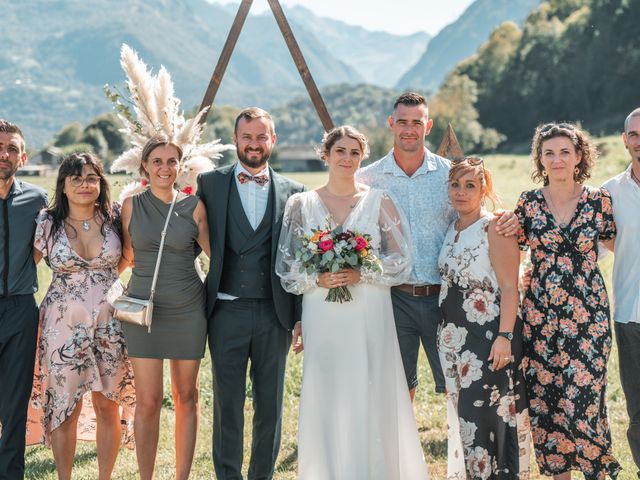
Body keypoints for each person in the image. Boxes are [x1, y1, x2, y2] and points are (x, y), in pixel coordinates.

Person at [276, 125, 428, 479]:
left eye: (354, 153)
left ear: (363, 158)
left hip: (369, 309)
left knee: (371, 383)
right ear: (325, 154)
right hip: (323, 310)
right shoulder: (301, 204)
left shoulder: (379, 201)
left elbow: (402, 260)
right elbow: (287, 267)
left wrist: (364, 274)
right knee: (327, 387)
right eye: (340, 151)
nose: (347, 158)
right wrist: (318, 278)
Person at [356, 92, 519, 400]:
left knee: (454, 382)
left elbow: (476, 216)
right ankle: (400, 447)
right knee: (398, 385)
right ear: (391, 124)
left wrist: (506, 217)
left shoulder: (449, 174)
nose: (409, 129)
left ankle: (459, 444)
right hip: (393, 296)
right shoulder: (368, 178)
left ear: (427, 126)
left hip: (444, 298)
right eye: (402, 121)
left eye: (416, 122)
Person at [196, 107, 305, 480]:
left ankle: (262, 475)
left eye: (262, 137)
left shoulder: (295, 193)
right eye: (247, 137)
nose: (254, 144)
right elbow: (188, 234)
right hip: (225, 311)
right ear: (235, 140)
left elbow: (301, 260)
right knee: (227, 403)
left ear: (272, 140)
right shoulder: (209, 183)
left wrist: (300, 315)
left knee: (270, 404)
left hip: (276, 314)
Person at [515, 122, 620, 479]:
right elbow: (508, 248)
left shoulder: (598, 200)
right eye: (549, 153)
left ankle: (595, 472)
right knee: (548, 402)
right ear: (540, 160)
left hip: (588, 315)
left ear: (579, 157)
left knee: (585, 401)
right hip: (540, 315)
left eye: (564, 152)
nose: (557, 159)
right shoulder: (528, 203)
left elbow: (621, 244)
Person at [26, 153, 135, 480]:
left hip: (111, 324)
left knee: (108, 405)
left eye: (91, 178)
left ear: (101, 183)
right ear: (63, 184)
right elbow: (23, 267)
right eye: (76, 178)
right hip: (62, 327)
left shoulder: (115, 215)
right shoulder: (47, 221)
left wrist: (100, 288)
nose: (85, 185)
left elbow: (128, 257)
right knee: (65, 409)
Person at [120, 137, 210, 480]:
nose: (164, 168)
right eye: (157, 161)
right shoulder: (130, 205)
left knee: (186, 395)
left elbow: (216, 256)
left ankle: (182, 476)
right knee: (148, 400)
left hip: (188, 308)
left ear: (180, 166)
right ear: (145, 166)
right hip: (142, 310)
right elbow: (127, 256)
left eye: (172, 161)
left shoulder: (195, 207)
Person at [438, 157, 530, 479]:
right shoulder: (452, 228)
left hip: (489, 340)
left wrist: (504, 338)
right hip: (455, 342)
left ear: (484, 189)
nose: (461, 192)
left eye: (470, 186)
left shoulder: (496, 227)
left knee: (487, 419)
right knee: (466, 420)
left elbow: (509, 287)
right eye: (455, 185)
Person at [0, 119, 47, 479]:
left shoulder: (37, 199)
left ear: (23, 156)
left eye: (12, 148)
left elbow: (40, 248)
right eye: (0, 148)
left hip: (19, 309)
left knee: (14, 402)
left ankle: (11, 473)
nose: (4, 154)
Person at [602, 107, 640, 477]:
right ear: (625, 140)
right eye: (636, 135)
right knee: (639, 409)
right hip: (630, 315)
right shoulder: (609, 193)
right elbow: (587, 247)